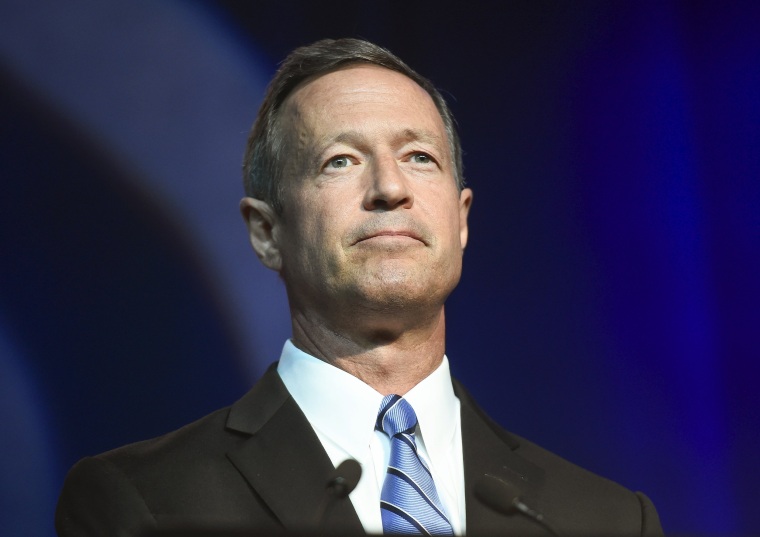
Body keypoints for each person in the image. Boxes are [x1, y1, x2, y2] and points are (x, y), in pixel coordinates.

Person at [56, 38, 664, 536]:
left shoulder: (604, 519)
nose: (390, 188)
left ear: (461, 220)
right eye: (340, 161)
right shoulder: (143, 505)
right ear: (267, 232)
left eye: (420, 157)